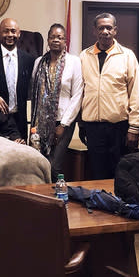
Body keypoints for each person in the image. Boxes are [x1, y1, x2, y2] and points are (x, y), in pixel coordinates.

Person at [79, 13, 139, 180]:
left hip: (119, 128)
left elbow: (136, 93)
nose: (105, 31)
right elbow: (79, 92)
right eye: (101, 28)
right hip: (93, 128)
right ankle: (102, 205)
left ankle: (121, 206)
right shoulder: (84, 56)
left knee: (120, 174)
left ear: (115, 30)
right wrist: (81, 123)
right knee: (97, 173)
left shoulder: (127, 55)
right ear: (95, 31)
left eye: (109, 28)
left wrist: (134, 127)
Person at [31, 23, 83, 181]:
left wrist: (63, 125)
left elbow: (77, 95)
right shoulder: (39, 62)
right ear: (48, 40)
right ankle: (42, 201)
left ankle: (60, 200)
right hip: (41, 122)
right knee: (39, 164)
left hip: (63, 121)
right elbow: (35, 92)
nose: (56, 40)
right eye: (52, 37)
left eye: (60, 37)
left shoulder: (74, 62)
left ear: (65, 41)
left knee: (54, 166)